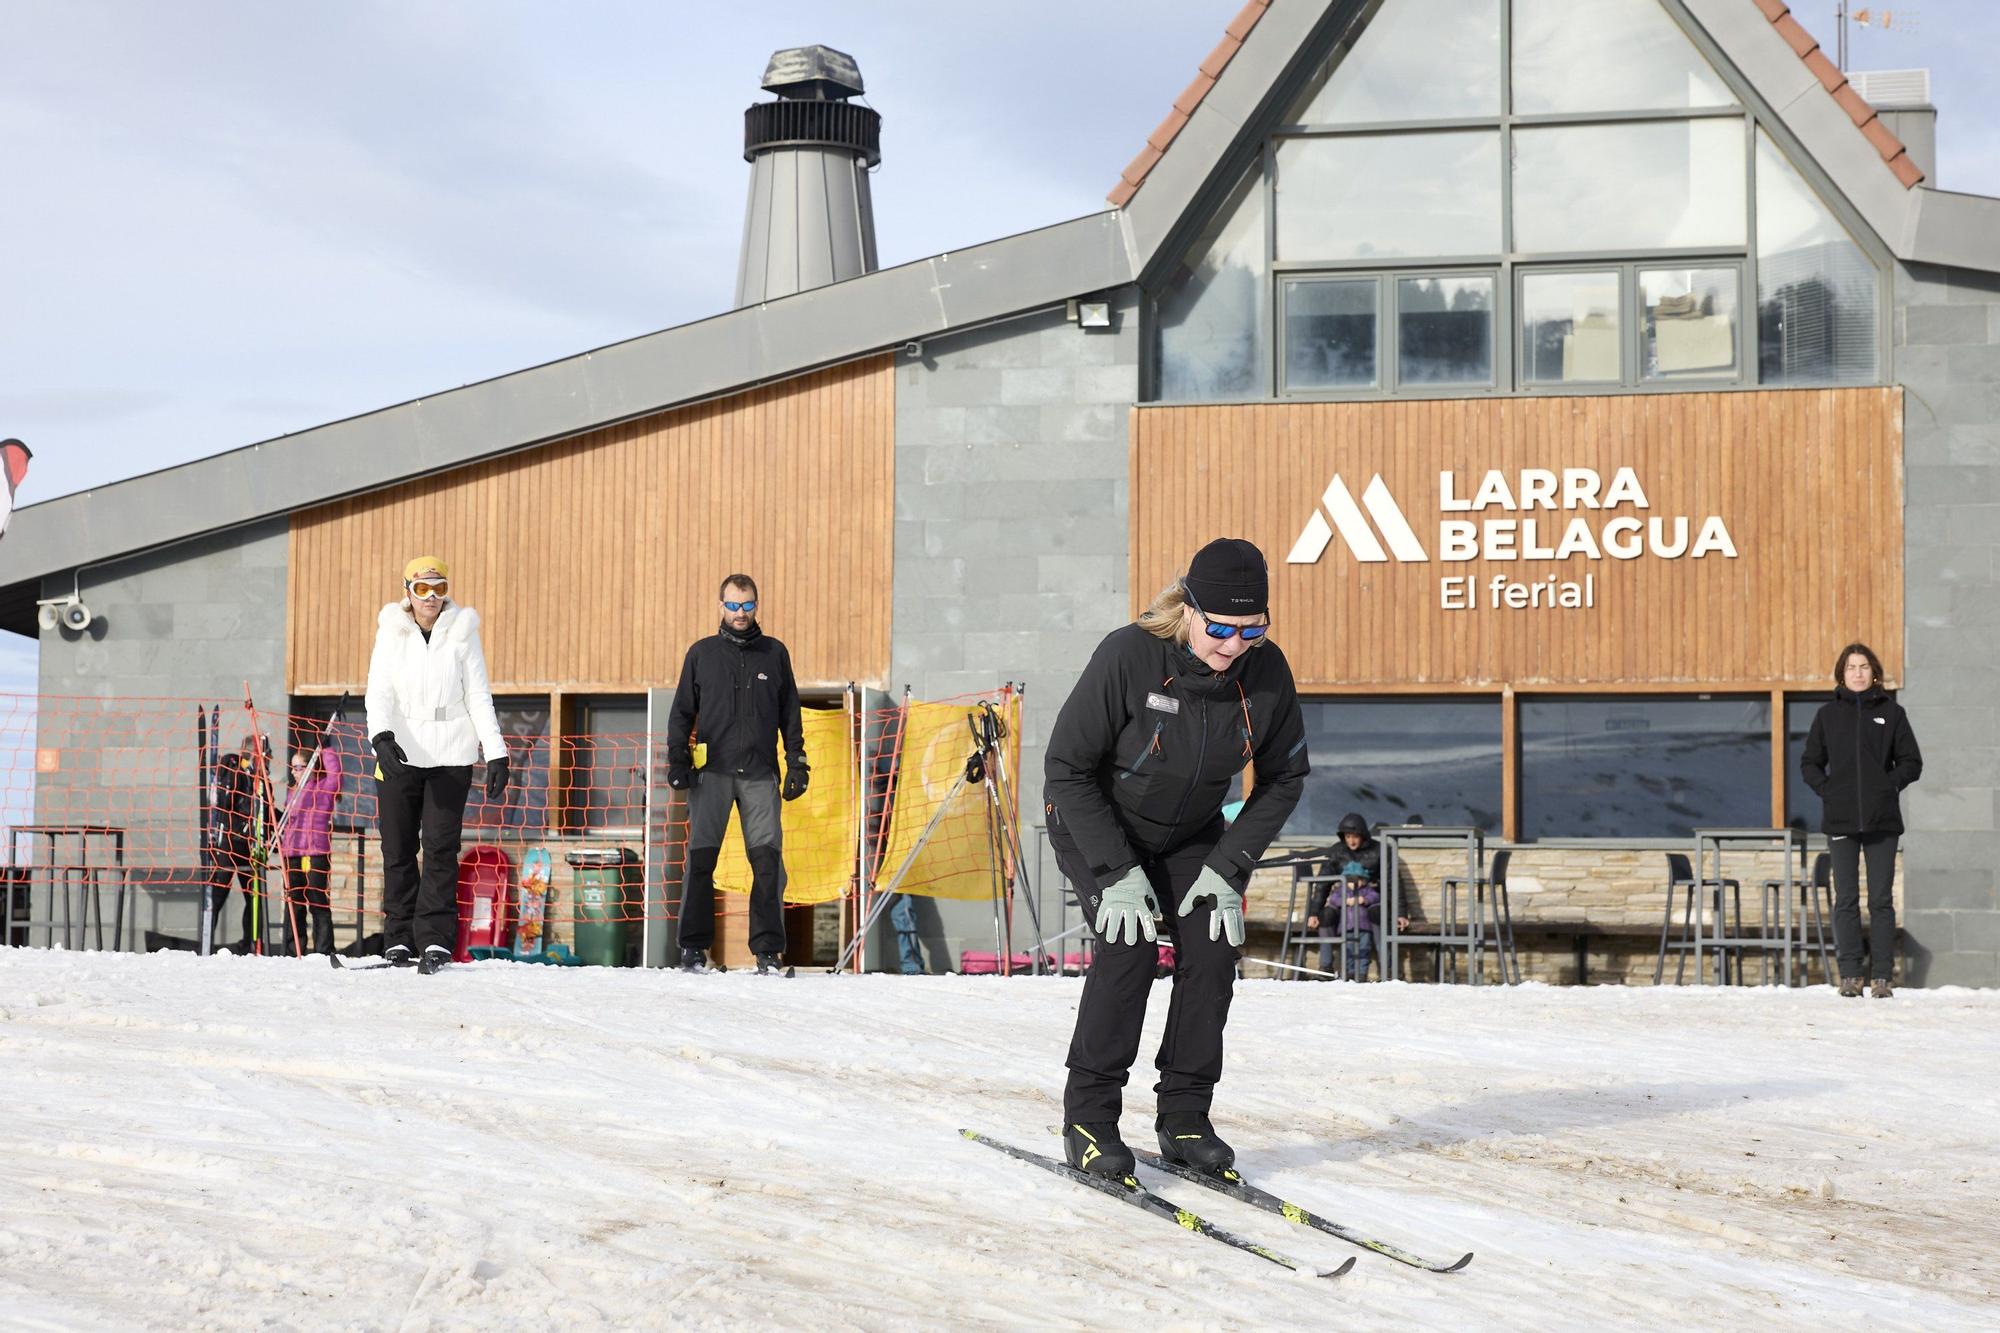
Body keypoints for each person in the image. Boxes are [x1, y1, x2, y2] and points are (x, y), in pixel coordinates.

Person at [1045, 538, 1308, 1178]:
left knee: (1214, 947)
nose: (1233, 645)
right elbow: (1067, 768)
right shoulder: (1128, 655)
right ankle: (1090, 1119)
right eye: (1219, 628)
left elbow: (1285, 776)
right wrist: (1116, 871)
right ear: (1187, 610)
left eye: (1252, 630)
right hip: (1098, 825)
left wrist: (1229, 864)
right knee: (1130, 947)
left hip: (1190, 836)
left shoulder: (1266, 672)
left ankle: (1185, 1116)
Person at [365, 557, 510, 975]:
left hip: (451, 755)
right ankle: (398, 938)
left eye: (439, 588)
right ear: (408, 592)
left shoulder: (463, 632)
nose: (431, 597)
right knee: (397, 848)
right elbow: (378, 692)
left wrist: (495, 751)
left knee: (441, 848)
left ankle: (434, 939)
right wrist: (380, 738)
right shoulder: (391, 632)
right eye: (423, 589)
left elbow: (478, 695)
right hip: (401, 753)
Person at [665, 574, 809, 975]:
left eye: (746, 605)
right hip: (711, 773)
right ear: (721, 606)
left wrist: (797, 761)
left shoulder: (774, 653)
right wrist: (677, 761)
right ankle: (693, 949)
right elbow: (681, 713)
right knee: (701, 860)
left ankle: (767, 952)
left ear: (756, 606)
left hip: (760, 773)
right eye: (732, 605)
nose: (740, 613)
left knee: (767, 862)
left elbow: (790, 712)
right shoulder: (702, 654)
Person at [1801, 641, 1922, 998]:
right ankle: (1851, 975)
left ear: (1874, 673)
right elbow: (1810, 762)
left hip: (1882, 820)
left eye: (1864, 667)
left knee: (1881, 900)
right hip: (1840, 820)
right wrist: (1827, 789)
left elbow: (1911, 762)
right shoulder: (1827, 715)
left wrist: (1888, 785)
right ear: (1842, 673)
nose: (1858, 673)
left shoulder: (1892, 713)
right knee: (1846, 899)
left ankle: (1881, 977)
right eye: (1851, 667)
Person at [279, 733, 344, 957]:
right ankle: (293, 949)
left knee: (317, 900)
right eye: (293, 767)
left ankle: (323, 950)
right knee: (294, 902)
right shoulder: (292, 793)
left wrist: (327, 750)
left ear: (310, 768)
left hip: (315, 851)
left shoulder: (323, 788)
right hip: (292, 852)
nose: (294, 772)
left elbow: (336, 774)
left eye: (299, 767)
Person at [209, 736, 276, 954]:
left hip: (251, 846)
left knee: (254, 896)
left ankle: (251, 942)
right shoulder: (235, 771)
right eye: (266, 756)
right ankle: (206, 942)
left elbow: (266, 812)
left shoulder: (263, 782)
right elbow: (226, 803)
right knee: (218, 894)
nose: (269, 760)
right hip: (230, 843)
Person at [1306, 812, 1380, 980]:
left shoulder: (1378, 851)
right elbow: (1323, 885)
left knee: (1364, 946)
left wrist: (1366, 900)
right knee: (1327, 917)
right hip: (1344, 920)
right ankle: (1325, 967)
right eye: (1348, 837)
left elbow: (1386, 887)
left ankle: (1383, 969)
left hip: (1365, 919)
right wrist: (1314, 913)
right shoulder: (1337, 852)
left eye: (1355, 836)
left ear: (1363, 836)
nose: (1351, 841)